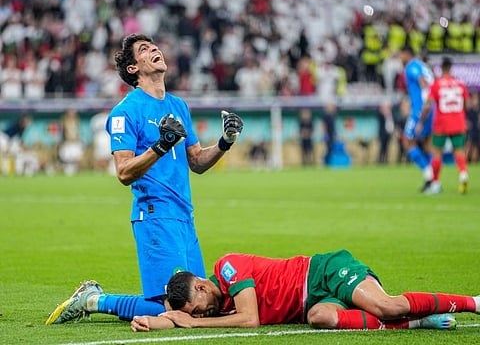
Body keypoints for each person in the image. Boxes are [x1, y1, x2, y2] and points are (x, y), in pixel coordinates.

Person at [45, 33, 244, 325]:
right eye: (144, 49)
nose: (154, 49)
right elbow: (123, 172)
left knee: (210, 302)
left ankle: (94, 299)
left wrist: (225, 141)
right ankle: (91, 300)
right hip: (154, 215)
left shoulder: (179, 106)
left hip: (184, 216)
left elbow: (197, 161)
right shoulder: (126, 112)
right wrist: (161, 146)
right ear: (133, 69)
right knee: (172, 310)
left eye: (154, 46)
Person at [130, 249, 479, 332]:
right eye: (195, 315)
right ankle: (417, 322)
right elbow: (176, 316)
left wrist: (192, 324)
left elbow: (250, 319)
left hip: (323, 272)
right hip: (315, 300)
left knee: (386, 307)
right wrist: (160, 321)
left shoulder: (227, 268)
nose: (201, 314)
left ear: (203, 287)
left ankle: (473, 302)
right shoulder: (214, 304)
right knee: (321, 318)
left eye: (197, 307)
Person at [419, 57, 469, 194]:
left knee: (437, 153)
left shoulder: (436, 85)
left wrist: (421, 121)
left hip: (441, 123)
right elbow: (466, 105)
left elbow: (428, 105)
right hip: (458, 122)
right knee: (459, 151)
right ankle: (463, 176)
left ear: (441, 68)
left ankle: (435, 184)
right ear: (451, 68)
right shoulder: (460, 84)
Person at [399, 46, 434, 192]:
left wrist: (424, 106)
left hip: (420, 110)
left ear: (407, 54)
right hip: (432, 108)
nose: (400, 58)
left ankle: (429, 174)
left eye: (401, 55)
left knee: (408, 141)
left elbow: (423, 84)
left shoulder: (412, 66)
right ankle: (433, 179)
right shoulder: (423, 65)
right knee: (427, 142)